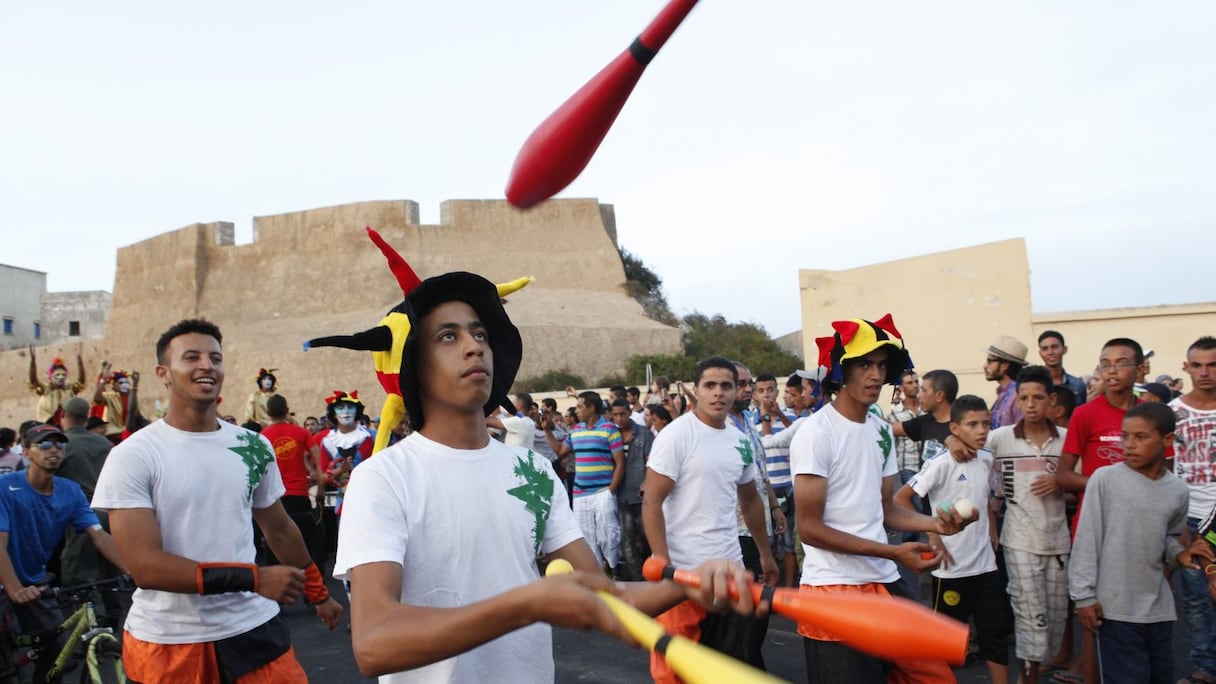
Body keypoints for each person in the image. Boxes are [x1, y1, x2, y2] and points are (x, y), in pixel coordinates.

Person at [331, 271, 755, 682]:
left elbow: (602, 597)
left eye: (479, 334)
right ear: (414, 366)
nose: (474, 347)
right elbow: (373, 644)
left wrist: (691, 584)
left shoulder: (531, 470)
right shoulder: (383, 477)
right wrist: (526, 603)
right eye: (448, 336)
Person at [91, 319, 342, 683]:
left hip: (253, 629)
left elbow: (278, 528)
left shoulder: (253, 445)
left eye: (215, 357)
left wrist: (318, 593)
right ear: (164, 372)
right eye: (191, 357)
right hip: (169, 643)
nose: (207, 365)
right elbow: (145, 566)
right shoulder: (133, 455)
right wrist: (254, 578)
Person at [791, 314, 974, 683]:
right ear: (841, 371)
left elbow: (886, 510)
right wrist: (893, 552)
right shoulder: (816, 433)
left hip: (886, 582)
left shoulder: (879, 431)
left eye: (880, 365)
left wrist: (934, 524)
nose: (875, 375)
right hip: (835, 591)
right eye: (863, 365)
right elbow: (809, 529)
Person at [643, 356, 778, 682]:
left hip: (729, 577)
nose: (719, 393)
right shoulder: (676, 435)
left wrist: (765, 554)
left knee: (726, 670)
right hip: (683, 579)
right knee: (676, 673)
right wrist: (663, 563)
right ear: (697, 391)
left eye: (726, 386)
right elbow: (651, 501)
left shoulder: (739, 441)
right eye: (710, 385)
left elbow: (750, 501)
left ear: (736, 391)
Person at [1069, 402, 1200, 684]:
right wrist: (1084, 597)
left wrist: (1180, 556)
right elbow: (1087, 540)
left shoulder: (1177, 489)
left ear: (1166, 440)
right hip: (1114, 610)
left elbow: (1168, 538)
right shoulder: (1105, 480)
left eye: (1140, 437)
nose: (1129, 444)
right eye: (1125, 436)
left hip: (1159, 610)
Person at [0, 423, 129, 683]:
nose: (54, 449)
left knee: (60, 643)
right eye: (44, 444)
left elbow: (99, 536)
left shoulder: (70, 491)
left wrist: (135, 570)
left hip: (34, 580)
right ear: (26, 453)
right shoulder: (6, 487)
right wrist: (14, 589)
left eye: (60, 444)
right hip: (5, 579)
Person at [895, 395, 1008, 684]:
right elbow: (902, 499)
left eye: (986, 423)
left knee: (994, 637)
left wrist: (992, 526)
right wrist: (934, 535)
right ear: (955, 429)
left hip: (986, 567)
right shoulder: (940, 464)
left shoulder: (986, 458)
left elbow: (981, 499)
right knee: (945, 644)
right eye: (973, 424)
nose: (982, 430)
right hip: (951, 570)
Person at [1056, 337, 1145, 684]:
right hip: (1094, 529)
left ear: (1139, 369)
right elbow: (1063, 474)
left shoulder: (1148, 413)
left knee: (1137, 615)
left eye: (1121, 362)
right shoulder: (1085, 414)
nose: (1111, 370)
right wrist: (1106, 482)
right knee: (1092, 616)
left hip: (1141, 530)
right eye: (1104, 363)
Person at [987, 366, 1070, 683]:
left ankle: (1034, 671)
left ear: (1051, 400)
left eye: (1038, 397)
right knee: (1028, 613)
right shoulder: (1001, 438)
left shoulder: (1066, 440)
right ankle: (1028, 678)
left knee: (1055, 616)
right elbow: (966, 445)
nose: (1031, 404)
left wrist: (1061, 481)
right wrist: (954, 440)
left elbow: (1086, 479)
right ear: (1017, 401)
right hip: (1019, 540)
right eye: (1024, 398)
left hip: (1058, 541)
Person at [1169, 336, 1216, 684]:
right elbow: (1163, 472)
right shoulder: (1171, 413)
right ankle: (1204, 669)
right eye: (1197, 365)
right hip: (1189, 519)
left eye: (1212, 365)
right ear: (1186, 367)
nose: (1205, 373)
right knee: (1197, 600)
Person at [546, 391, 624, 574]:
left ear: (592, 408)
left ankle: (611, 567)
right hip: (580, 495)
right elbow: (560, 452)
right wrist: (547, 431)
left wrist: (610, 491)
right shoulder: (576, 431)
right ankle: (599, 578)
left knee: (608, 536)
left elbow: (620, 463)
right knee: (587, 540)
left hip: (603, 492)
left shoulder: (609, 429)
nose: (577, 410)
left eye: (580, 406)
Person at [260, 394, 324, 570]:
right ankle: (313, 585)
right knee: (308, 541)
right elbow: (318, 460)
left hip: (275, 498)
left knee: (275, 540)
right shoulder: (301, 432)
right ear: (287, 411)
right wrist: (320, 486)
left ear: (268, 412)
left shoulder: (263, 437)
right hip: (299, 495)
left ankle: (278, 586)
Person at [57, 397, 115, 586]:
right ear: (87, 418)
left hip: (81, 517)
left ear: (63, 415)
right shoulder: (104, 443)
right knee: (111, 572)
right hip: (110, 514)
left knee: (80, 576)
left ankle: (91, 614)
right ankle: (114, 612)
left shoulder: (63, 445)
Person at [609, 398, 652, 581]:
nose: (619, 418)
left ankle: (653, 574)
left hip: (642, 495)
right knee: (627, 540)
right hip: (621, 495)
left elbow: (652, 462)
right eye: (616, 415)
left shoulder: (644, 434)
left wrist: (648, 483)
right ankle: (638, 580)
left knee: (647, 537)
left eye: (622, 414)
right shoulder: (610, 434)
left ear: (629, 413)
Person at [27, 343, 87, 425]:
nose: (61, 377)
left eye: (63, 375)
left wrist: (79, 361)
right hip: (48, 425)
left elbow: (81, 381)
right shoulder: (45, 389)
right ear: (50, 377)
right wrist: (33, 362)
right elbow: (33, 381)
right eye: (57, 375)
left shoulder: (70, 389)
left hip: (69, 425)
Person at [985, 336, 1028, 429]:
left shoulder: (1018, 395)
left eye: (990, 361)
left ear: (1005, 365)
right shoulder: (1004, 393)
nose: (985, 366)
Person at [1037, 331, 1088, 407]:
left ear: (1064, 349)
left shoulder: (1078, 385)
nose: (1050, 352)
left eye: (1054, 347)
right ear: (1040, 353)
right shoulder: (1036, 385)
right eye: (1045, 349)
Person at [92, 362, 139, 441]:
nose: (125, 385)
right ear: (114, 386)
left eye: (127, 382)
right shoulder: (110, 396)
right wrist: (104, 380)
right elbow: (97, 399)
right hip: (113, 435)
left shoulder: (131, 398)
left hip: (129, 434)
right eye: (121, 383)